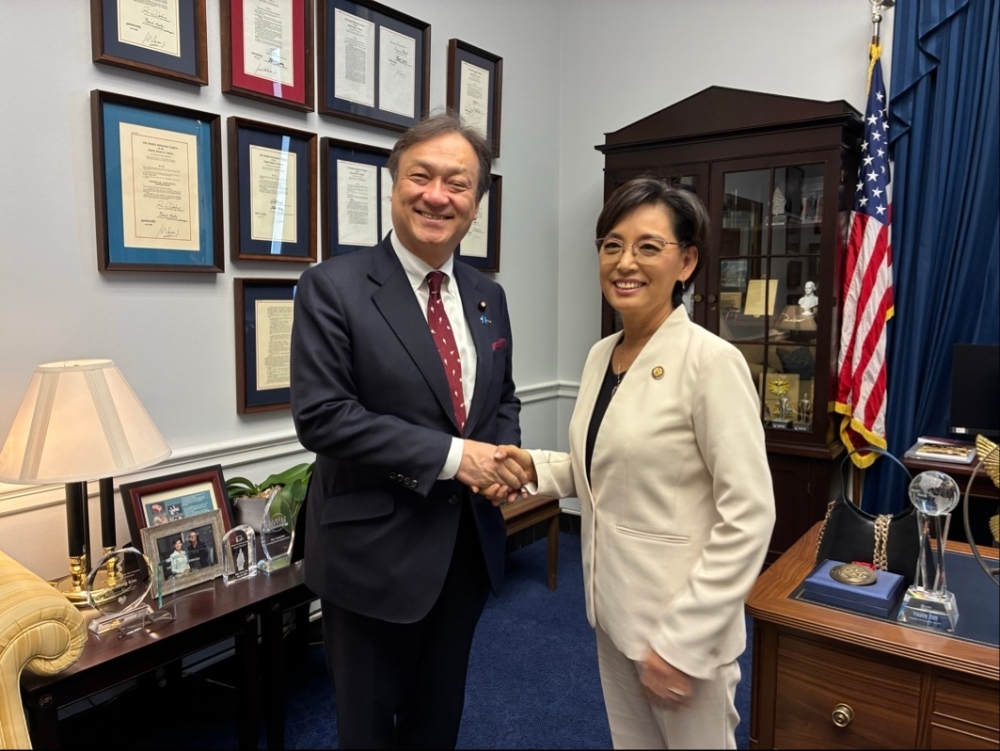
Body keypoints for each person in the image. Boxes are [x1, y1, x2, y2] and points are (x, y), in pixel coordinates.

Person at [489, 177, 775, 749]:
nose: (625, 262)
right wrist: (533, 466)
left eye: (649, 246)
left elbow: (749, 516)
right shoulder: (604, 354)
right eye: (612, 244)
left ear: (687, 261)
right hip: (613, 613)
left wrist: (682, 643)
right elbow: (603, 464)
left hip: (681, 633)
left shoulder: (711, 363)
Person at [289, 111, 527, 749]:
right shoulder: (331, 288)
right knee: (366, 728)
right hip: (370, 555)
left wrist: (502, 458)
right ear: (393, 185)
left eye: (457, 183)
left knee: (436, 720)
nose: (437, 195)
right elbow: (322, 416)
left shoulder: (487, 294)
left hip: (465, 550)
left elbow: (500, 396)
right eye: (421, 177)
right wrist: (456, 458)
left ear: (475, 203)